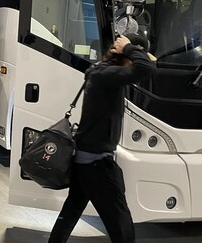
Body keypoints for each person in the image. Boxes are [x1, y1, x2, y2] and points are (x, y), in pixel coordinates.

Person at [48, 34, 156, 243]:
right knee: (121, 224)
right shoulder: (107, 75)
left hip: (84, 160)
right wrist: (128, 48)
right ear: (127, 55)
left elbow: (149, 65)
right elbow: (148, 69)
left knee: (70, 213)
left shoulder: (101, 72)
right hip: (97, 164)